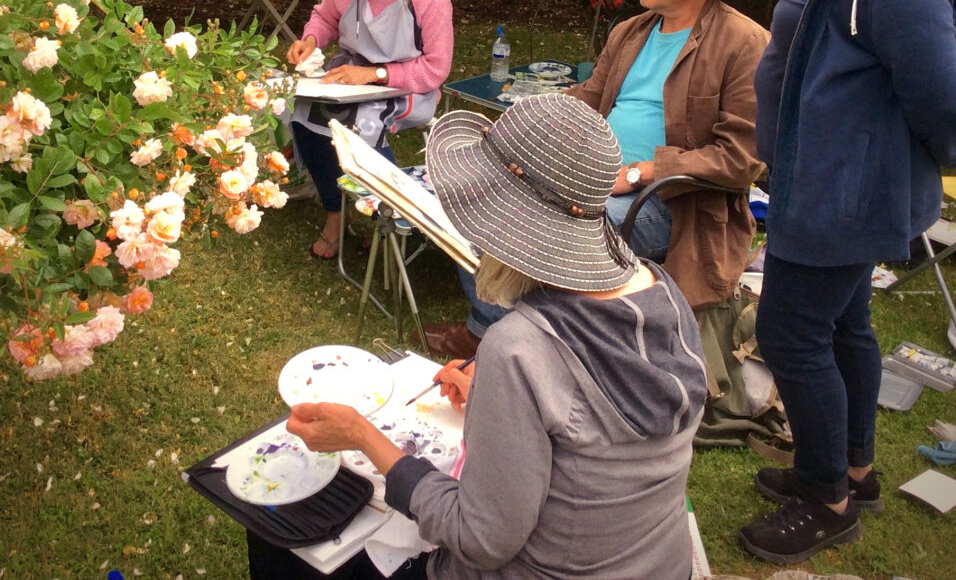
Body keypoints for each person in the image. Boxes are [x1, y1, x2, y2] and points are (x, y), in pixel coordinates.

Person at [249, 93, 707, 580]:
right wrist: (503, 396)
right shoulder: (660, 289)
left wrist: (362, 436)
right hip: (659, 564)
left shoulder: (520, 347)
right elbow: (588, 427)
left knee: (276, 532)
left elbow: (481, 539)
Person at [742, 0, 956, 564]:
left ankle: (826, 499)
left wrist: (951, 152)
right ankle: (854, 467)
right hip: (837, 176)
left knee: (791, 334)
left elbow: (941, 97)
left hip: (841, 189)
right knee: (846, 324)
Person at [422, 0, 768, 359]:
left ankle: (511, 347)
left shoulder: (744, 44)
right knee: (479, 198)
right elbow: (587, 99)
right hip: (587, 178)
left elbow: (742, 159)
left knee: (537, 230)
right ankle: (494, 330)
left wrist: (644, 171)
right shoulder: (631, 31)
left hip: (674, 204)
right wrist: (520, 127)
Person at [286, 0, 453, 259]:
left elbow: (436, 69)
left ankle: (390, 220)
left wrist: (375, 75)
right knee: (304, 115)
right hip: (352, 74)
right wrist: (312, 40)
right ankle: (336, 215)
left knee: (358, 121)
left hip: (409, 84)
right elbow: (326, 16)